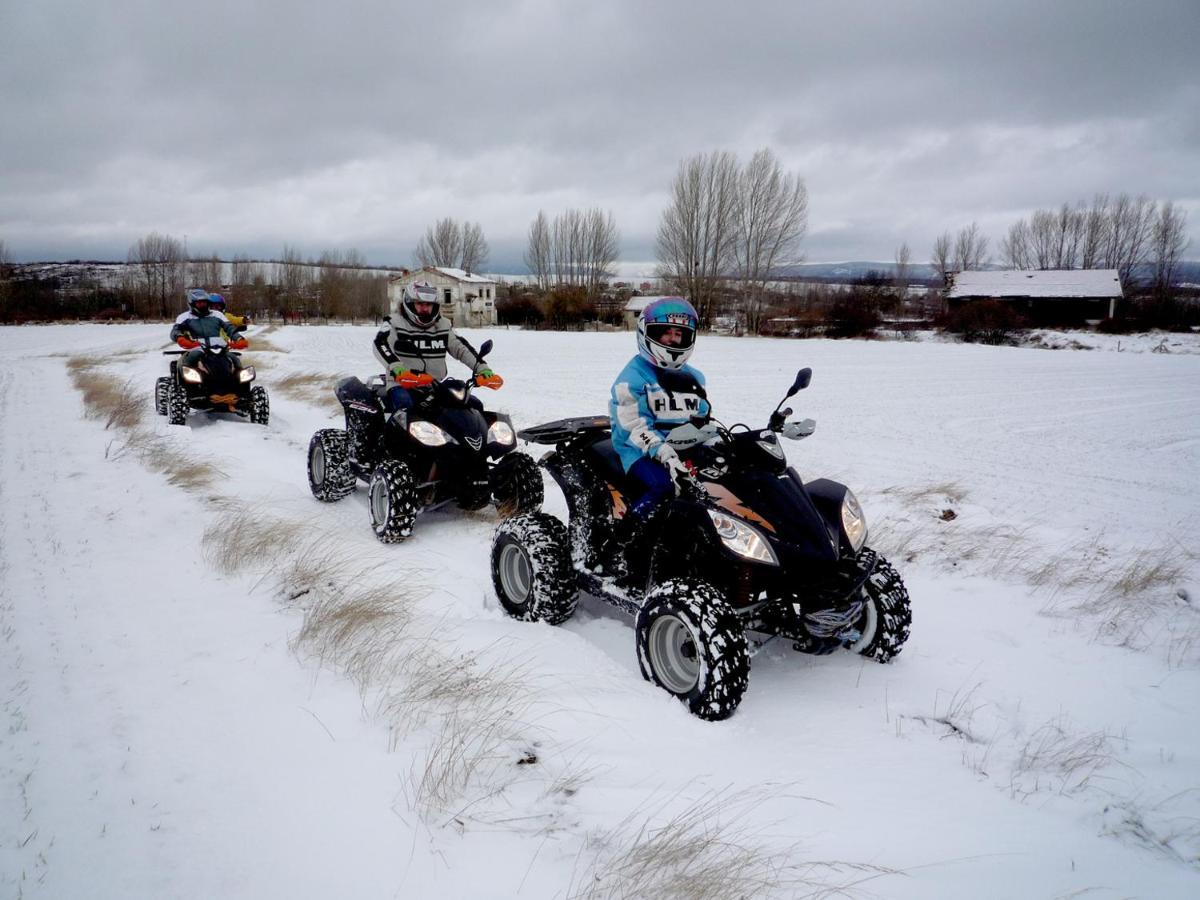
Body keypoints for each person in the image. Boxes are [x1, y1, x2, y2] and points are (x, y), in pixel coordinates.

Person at [604, 297, 710, 580]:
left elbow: (703, 415)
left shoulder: (694, 377)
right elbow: (631, 425)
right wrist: (663, 453)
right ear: (648, 334)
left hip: (682, 447)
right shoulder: (633, 377)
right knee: (663, 487)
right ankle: (623, 542)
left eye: (679, 334)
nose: (673, 340)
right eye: (666, 332)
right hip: (637, 451)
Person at [372, 279, 500, 412]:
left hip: (434, 386)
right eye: (420, 304)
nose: (425, 308)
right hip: (402, 385)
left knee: (473, 406)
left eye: (429, 304)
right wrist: (397, 368)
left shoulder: (443, 325)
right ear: (409, 304)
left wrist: (482, 368)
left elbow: (461, 348)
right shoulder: (394, 323)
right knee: (405, 408)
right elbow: (380, 344)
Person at [169, 289, 243, 368]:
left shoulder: (217, 314)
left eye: (205, 302)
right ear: (192, 304)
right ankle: (182, 379)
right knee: (187, 363)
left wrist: (239, 338)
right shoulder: (184, 317)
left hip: (219, 348)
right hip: (197, 348)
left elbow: (229, 328)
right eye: (199, 303)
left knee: (235, 360)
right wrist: (180, 338)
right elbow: (175, 330)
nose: (203, 305)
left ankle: (240, 380)